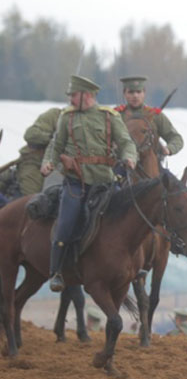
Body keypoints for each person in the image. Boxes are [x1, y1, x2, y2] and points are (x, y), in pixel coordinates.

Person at [40, 75, 137, 292]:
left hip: (105, 181)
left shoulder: (109, 117)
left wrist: (130, 157)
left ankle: (134, 265)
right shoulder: (67, 118)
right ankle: (56, 272)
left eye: (74, 95)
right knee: (66, 223)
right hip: (76, 183)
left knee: (129, 217)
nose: (71, 99)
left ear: (87, 95)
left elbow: (126, 143)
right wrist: (48, 162)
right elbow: (56, 146)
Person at [114, 76, 184, 158]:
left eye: (139, 92)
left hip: (151, 161)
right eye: (131, 92)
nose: (135, 96)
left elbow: (176, 138)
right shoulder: (116, 115)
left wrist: (169, 149)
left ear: (144, 93)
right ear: (124, 94)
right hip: (121, 161)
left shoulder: (155, 115)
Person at [19, 107, 64, 195]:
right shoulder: (56, 115)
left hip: (66, 169)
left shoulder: (89, 120)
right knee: (31, 196)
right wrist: (54, 138)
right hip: (35, 161)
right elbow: (31, 134)